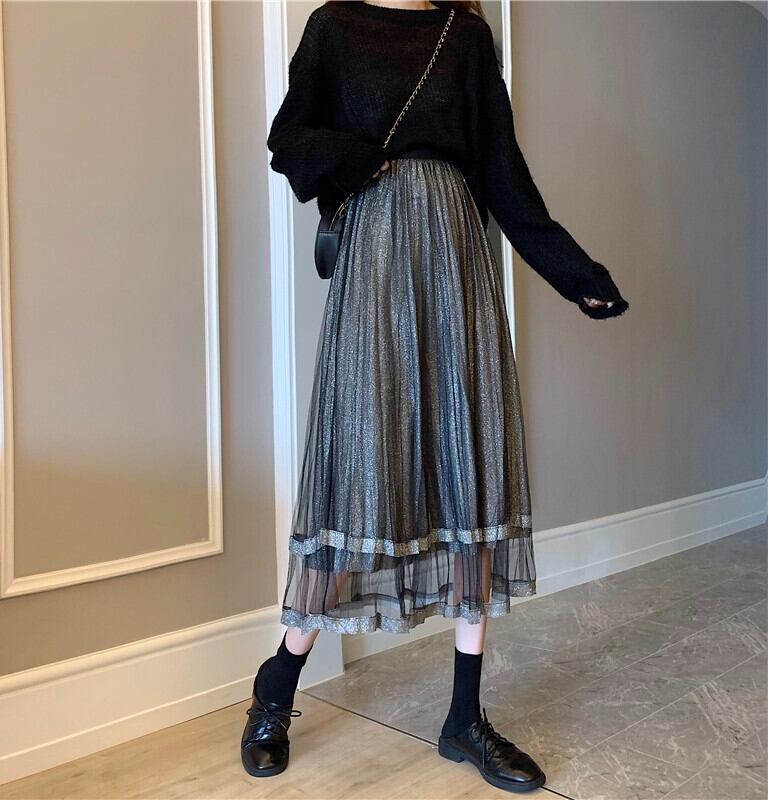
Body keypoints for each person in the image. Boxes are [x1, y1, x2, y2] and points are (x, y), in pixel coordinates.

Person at [241, 0, 629, 793]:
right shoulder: (334, 27)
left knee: (469, 474)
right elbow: (289, 139)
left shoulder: (467, 35)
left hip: (457, 264)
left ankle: (464, 718)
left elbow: (504, 176)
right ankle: (277, 686)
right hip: (375, 264)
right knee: (358, 478)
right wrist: (356, 157)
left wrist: (574, 273)